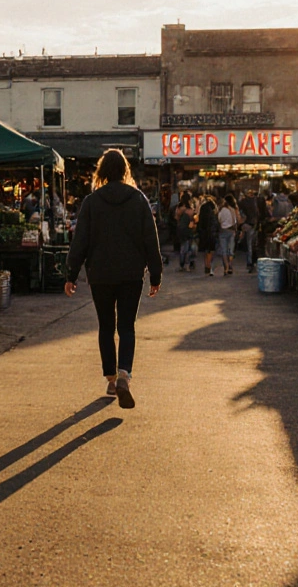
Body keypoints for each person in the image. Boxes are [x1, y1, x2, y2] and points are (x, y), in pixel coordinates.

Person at [65, 149, 162, 409]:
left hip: (100, 275)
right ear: (125, 171)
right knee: (127, 326)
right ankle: (124, 376)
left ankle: (110, 378)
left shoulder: (91, 202)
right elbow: (150, 240)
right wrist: (156, 274)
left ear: (102, 172)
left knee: (106, 326)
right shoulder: (139, 199)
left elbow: (80, 241)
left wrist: (71, 274)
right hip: (131, 275)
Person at [216, 194, 239, 276]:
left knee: (224, 251)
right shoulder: (233, 210)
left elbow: (219, 219)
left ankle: (226, 268)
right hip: (232, 231)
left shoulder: (221, 210)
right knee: (231, 251)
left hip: (223, 231)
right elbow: (235, 221)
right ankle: (230, 265)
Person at [238, 189, 260, 273]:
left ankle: (250, 262)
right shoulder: (256, 201)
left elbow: (241, 212)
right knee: (253, 244)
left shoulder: (243, 202)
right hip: (255, 224)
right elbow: (258, 213)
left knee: (249, 245)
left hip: (248, 224)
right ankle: (253, 261)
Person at [197, 196, 219, 276]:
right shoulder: (213, 214)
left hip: (203, 233)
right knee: (210, 251)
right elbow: (216, 224)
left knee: (206, 251)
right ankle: (208, 266)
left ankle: (207, 265)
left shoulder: (203, 211)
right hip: (211, 234)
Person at [176, 196, 197, 272]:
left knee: (184, 251)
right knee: (187, 251)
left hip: (183, 236)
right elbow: (190, 227)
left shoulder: (183, 216)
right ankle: (186, 265)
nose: (193, 211)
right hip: (187, 236)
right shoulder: (187, 217)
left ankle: (183, 265)